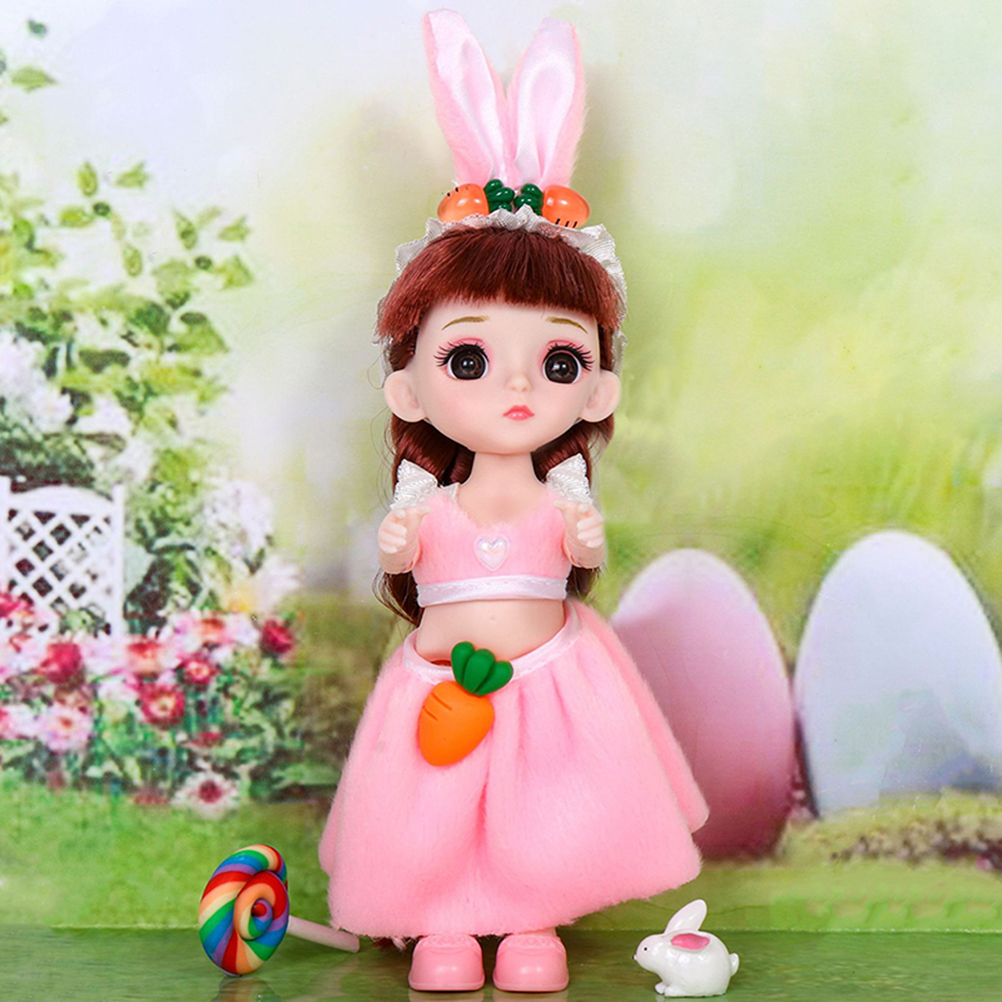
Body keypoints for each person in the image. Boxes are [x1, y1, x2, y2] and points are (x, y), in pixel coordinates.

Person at [319, 12, 707, 994]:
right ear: (409, 386)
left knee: (549, 812)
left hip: (550, 682)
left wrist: (581, 531)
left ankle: (533, 922)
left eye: (560, 360)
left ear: (599, 387)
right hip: (440, 685)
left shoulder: (560, 499)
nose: (517, 386)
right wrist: (401, 541)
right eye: (469, 359)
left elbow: (579, 551)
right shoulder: (427, 503)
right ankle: (445, 927)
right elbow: (407, 560)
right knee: (434, 815)